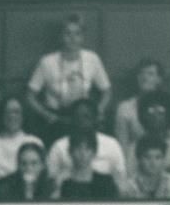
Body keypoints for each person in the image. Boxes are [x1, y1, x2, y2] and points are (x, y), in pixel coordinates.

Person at [26, 13, 111, 145]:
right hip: (57, 119)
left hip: (83, 119)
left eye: (77, 34)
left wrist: (99, 111)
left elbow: (107, 91)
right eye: (68, 33)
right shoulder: (47, 62)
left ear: (83, 37)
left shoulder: (92, 59)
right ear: (61, 36)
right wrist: (46, 115)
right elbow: (30, 95)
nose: (72, 39)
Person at [46, 99, 126, 194]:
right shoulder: (59, 146)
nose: (82, 121)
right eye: (77, 117)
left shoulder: (111, 144)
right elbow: (51, 179)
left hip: (104, 192)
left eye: (87, 116)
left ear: (95, 119)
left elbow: (120, 176)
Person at [0, 96, 42, 191]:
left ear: (23, 115)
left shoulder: (34, 142)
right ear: (1, 115)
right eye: (7, 112)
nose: (12, 116)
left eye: (16, 112)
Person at [114, 58, 166, 166]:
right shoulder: (125, 107)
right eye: (141, 73)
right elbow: (122, 144)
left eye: (150, 74)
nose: (145, 77)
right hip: (135, 161)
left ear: (159, 79)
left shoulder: (169, 106)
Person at [131, 90, 170, 179]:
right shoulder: (135, 146)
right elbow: (130, 176)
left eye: (161, 112)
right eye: (150, 111)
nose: (155, 116)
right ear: (143, 115)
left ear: (169, 115)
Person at [59, 132, 119, 201]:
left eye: (87, 149)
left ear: (94, 152)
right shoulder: (63, 184)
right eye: (78, 148)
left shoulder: (106, 182)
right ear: (70, 152)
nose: (83, 154)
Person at [121, 136, 170, 201]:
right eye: (147, 157)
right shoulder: (129, 186)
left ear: (164, 159)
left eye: (158, 157)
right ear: (139, 159)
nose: (153, 163)